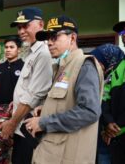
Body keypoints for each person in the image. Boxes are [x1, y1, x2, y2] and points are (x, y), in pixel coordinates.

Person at [24, 15, 104, 164]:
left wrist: (43, 122)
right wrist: (46, 108)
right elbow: (66, 101)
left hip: (68, 156)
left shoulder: (84, 66)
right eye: (47, 38)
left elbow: (89, 111)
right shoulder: (62, 67)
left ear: (72, 38)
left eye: (54, 37)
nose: (49, 42)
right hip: (52, 153)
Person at [0, 7, 53, 164]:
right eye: (19, 27)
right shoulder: (32, 52)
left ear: (41, 24)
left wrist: (11, 123)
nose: (21, 31)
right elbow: (28, 87)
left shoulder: (43, 53)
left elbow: (34, 96)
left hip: (29, 127)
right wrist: (15, 102)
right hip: (22, 125)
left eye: (26, 26)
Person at [91, 43, 125, 164]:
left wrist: (113, 129)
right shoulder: (104, 78)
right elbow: (103, 101)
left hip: (117, 134)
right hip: (105, 135)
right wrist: (107, 124)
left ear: (109, 60)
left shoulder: (118, 71)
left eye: (98, 62)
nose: (94, 66)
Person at [0, 36, 24, 107]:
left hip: (16, 108)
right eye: (6, 47)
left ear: (19, 50)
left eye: (11, 47)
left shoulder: (24, 67)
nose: (8, 50)